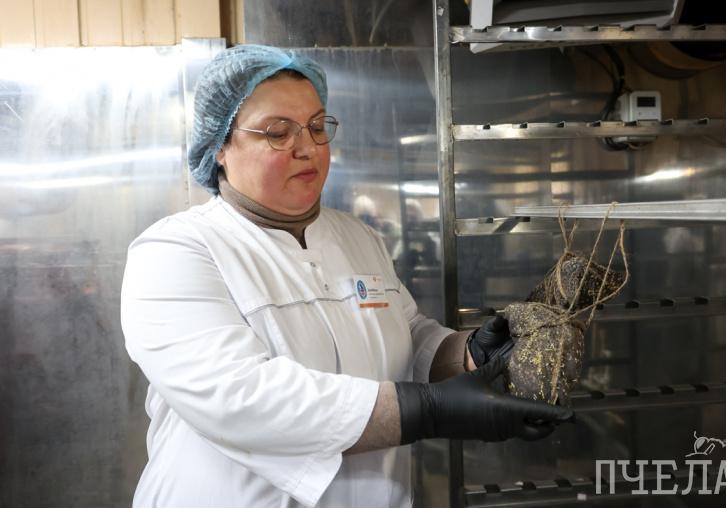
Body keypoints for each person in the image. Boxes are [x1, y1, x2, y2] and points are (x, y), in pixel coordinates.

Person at [120, 45, 574, 508]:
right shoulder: (175, 252)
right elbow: (237, 397)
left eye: (317, 127)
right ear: (219, 146)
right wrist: (427, 411)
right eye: (278, 132)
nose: (308, 148)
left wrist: (467, 354)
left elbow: (404, 334)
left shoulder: (357, 237)